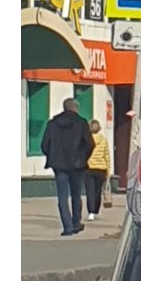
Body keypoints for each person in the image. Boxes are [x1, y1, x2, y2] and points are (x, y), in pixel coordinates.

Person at [40, 98, 94, 236]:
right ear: (75, 108)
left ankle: (67, 227)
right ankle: (76, 223)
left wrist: (53, 156)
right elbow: (90, 144)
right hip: (77, 165)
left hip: (59, 166)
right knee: (76, 195)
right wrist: (83, 158)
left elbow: (44, 145)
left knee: (62, 197)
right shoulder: (82, 123)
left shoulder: (52, 124)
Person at [86, 119, 112, 222]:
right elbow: (107, 155)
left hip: (88, 168)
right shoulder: (104, 140)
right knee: (98, 191)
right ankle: (96, 210)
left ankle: (91, 212)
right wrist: (108, 170)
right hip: (101, 169)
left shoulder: (86, 140)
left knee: (90, 191)